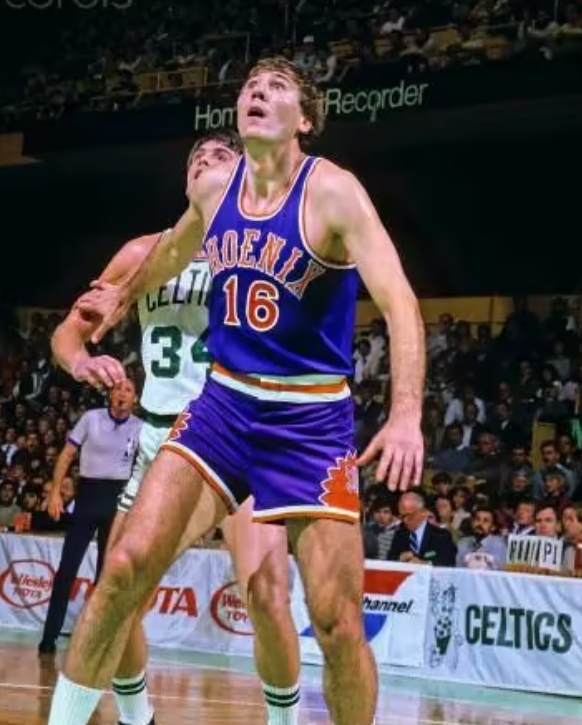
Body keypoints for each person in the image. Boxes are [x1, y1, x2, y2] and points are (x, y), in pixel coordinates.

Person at [51, 58, 425, 725]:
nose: (257, 91)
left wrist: (405, 414)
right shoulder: (214, 189)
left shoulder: (334, 192)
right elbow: (171, 251)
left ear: (304, 119)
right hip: (223, 405)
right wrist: (122, 295)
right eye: (251, 85)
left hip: (309, 421)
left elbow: (399, 302)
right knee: (124, 566)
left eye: (276, 87)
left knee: (336, 621)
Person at [49, 131, 301, 725]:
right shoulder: (142, 253)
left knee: (267, 594)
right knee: (118, 594)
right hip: (163, 437)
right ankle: (139, 717)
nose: (205, 162)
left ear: (241, 174)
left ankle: (285, 720)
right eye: (197, 159)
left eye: (220, 157)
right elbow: (68, 332)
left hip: (241, 433)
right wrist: (81, 361)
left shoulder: (265, 248)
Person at [38, 380, 142, 654]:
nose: (121, 393)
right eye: (117, 388)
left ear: (135, 398)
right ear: (110, 393)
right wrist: (55, 493)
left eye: (128, 390)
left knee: (105, 576)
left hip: (117, 501)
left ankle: (94, 641)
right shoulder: (91, 418)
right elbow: (66, 455)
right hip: (87, 497)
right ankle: (49, 638)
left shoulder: (140, 427)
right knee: (67, 569)